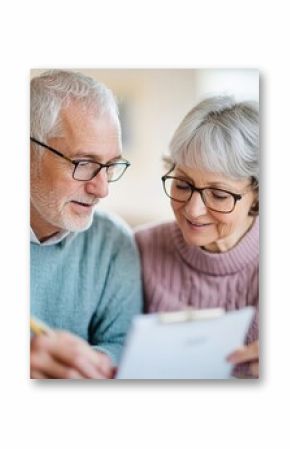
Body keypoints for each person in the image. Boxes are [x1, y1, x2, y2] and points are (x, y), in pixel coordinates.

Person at [135, 96, 259, 378]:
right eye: (182, 184)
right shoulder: (139, 248)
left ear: (258, 195)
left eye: (218, 194)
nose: (193, 210)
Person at [30, 70, 142, 379]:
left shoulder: (113, 241)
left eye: (110, 166)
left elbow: (124, 343)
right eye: (84, 163)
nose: (102, 188)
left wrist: (85, 365)